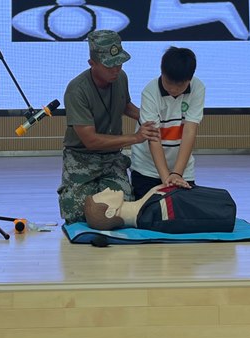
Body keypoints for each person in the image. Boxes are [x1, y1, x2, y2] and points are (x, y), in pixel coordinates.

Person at [58, 30, 161, 223]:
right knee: (78, 215)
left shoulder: (120, 78)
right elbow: (90, 140)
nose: (116, 69)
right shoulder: (77, 90)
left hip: (112, 158)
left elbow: (124, 104)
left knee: (122, 210)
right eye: (109, 65)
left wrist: (148, 117)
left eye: (119, 63)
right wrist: (136, 138)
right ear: (92, 63)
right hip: (81, 158)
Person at [128, 46, 205, 201]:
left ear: (189, 79)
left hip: (182, 170)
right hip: (147, 169)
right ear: (161, 72)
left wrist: (177, 174)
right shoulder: (150, 92)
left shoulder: (198, 88)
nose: (173, 89)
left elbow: (189, 131)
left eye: (180, 85)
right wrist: (166, 179)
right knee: (148, 210)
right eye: (169, 83)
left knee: (182, 209)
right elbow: (153, 137)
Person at [83, 184, 237, 234]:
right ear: (110, 212)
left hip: (222, 201)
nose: (107, 189)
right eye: (102, 195)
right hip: (224, 208)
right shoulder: (155, 215)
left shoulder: (149, 206)